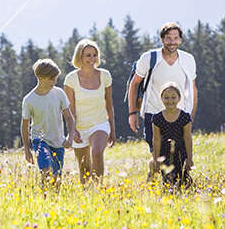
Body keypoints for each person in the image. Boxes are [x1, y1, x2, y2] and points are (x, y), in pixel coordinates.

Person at [127, 22, 198, 174]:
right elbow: (134, 84)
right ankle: (156, 178)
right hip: (153, 114)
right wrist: (132, 113)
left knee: (179, 155)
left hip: (179, 114)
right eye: (168, 38)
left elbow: (192, 88)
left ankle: (176, 186)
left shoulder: (188, 60)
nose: (172, 42)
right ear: (162, 39)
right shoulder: (149, 58)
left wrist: (190, 114)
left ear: (180, 40)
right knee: (159, 154)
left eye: (175, 38)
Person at [63, 39, 116, 183]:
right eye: (88, 55)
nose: (92, 59)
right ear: (80, 56)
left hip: (100, 124)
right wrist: (72, 130)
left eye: (94, 55)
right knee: (84, 170)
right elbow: (69, 108)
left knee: (97, 152)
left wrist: (112, 128)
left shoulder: (105, 75)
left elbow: (109, 104)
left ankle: (98, 188)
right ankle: (88, 196)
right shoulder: (71, 79)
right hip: (79, 128)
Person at [21, 59, 76, 188]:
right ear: (40, 77)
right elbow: (24, 126)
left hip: (58, 142)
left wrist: (70, 137)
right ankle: (44, 198)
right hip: (40, 140)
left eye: (55, 78)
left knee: (56, 179)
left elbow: (69, 118)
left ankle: (53, 203)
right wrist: (27, 149)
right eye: (51, 78)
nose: (54, 81)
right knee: (46, 170)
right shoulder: (29, 100)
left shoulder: (59, 94)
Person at [151, 82, 193, 188]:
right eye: (166, 98)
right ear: (161, 99)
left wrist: (189, 158)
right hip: (164, 154)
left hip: (180, 154)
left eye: (173, 97)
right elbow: (156, 139)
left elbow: (187, 138)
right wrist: (156, 159)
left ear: (179, 98)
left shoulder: (185, 117)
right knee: (168, 182)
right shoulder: (157, 118)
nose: (170, 101)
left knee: (183, 181)